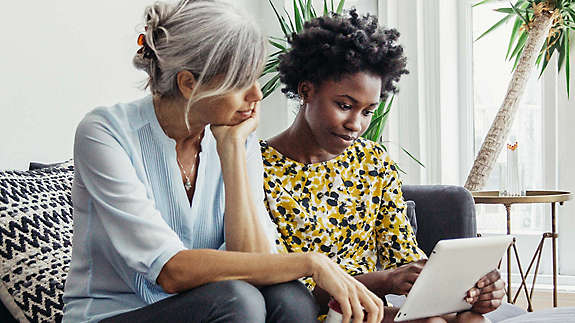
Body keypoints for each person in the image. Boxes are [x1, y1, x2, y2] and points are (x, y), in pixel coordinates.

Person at [62, 1, 384, 323]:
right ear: (189, 84)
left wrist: (231, 151)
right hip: (116, 314)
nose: (256, 95)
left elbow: (255, 262)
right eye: (241, 82)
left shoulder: (234, 135)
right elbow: (171, 272)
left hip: (207, 305)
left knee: (290, 297)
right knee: (237, 300)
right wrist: (311, 262)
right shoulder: (106, 133)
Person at [261, 9, 505, 323]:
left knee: (471, 319)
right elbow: (291, 296)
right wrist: (386, 280)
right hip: (314, 314)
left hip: (374, 312)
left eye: (367, 111)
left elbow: (404, 256)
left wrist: (471, 292)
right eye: (344, 105)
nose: (355, 124)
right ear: (306, 90)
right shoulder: (259, 169)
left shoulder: (373, 162)